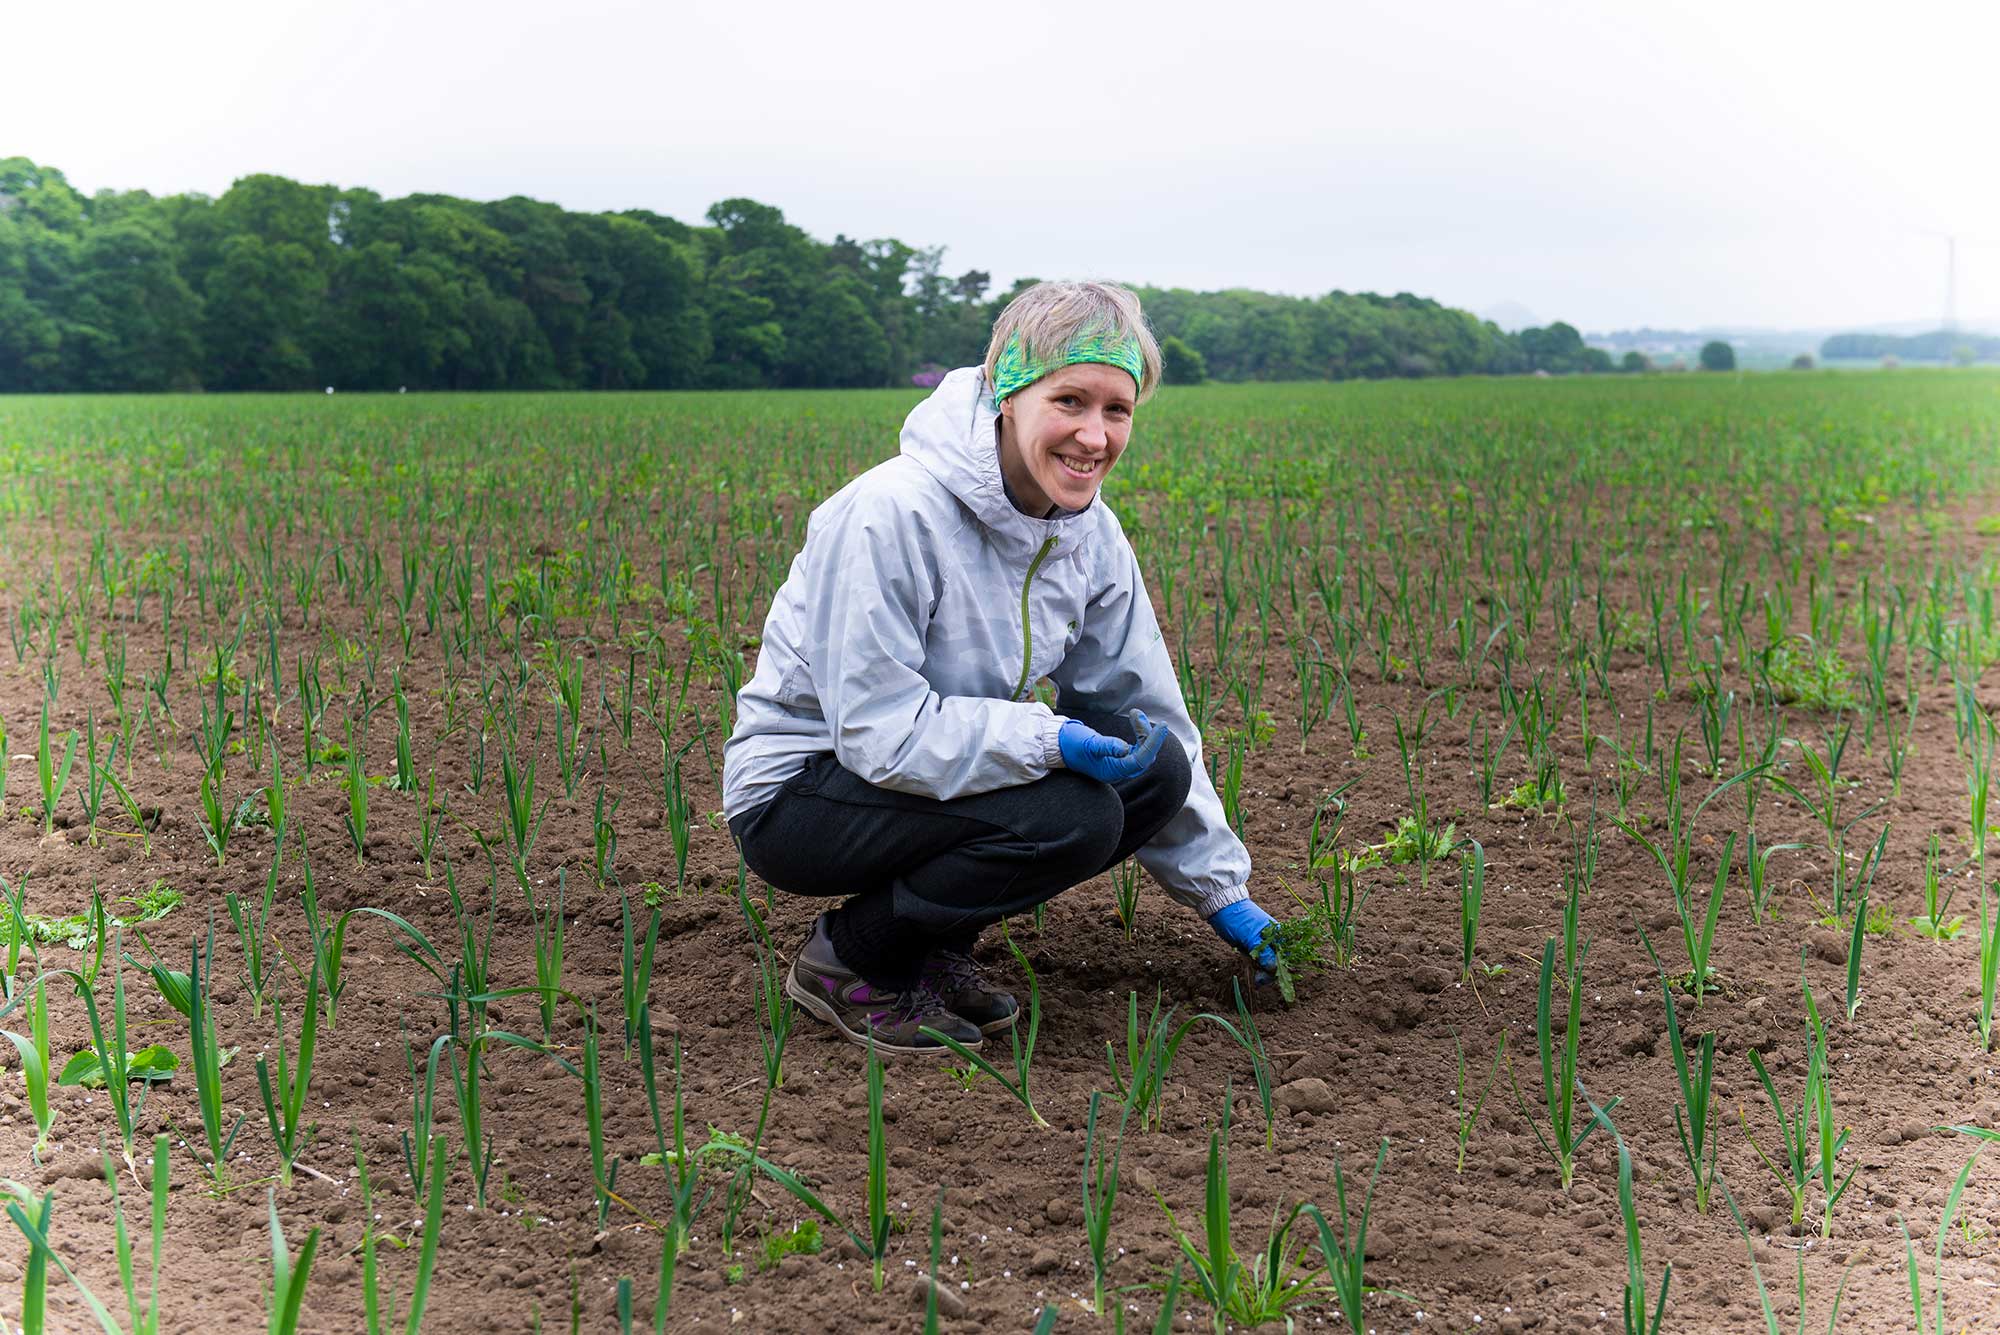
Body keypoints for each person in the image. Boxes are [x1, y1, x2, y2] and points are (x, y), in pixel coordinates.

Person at [722, 281, 1277, 1055]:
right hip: (803, 790)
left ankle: (932, 947)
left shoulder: (1088, 533)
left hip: (929, 770)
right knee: (1072, 815)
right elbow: (876, 730)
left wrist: (1224, 892)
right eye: (1070, 401)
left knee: (1153, 769)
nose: (1094, 435)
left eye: (1117, 409)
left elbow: (1144, 702)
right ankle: (851, 959)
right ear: (1007, 395)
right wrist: (1047, 741)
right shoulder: (892, 512)